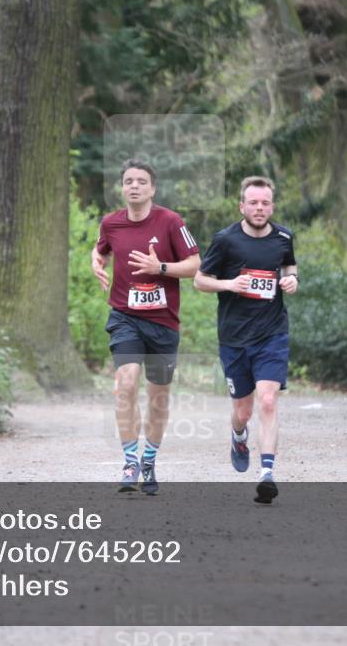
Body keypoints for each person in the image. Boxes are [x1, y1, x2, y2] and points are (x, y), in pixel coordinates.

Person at [91, 159, 200, 495]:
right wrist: (96, 262)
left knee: (158, 397)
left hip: (163, 322)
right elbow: (100, 251)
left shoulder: (171, 222)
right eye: (128, 181)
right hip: (124, 316)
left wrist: (161, 266)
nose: (134, 186)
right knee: (125, 384)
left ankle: (149, 458)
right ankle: (129, 461)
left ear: (152, 188)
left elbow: (196, 264)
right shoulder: (111, 224)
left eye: (141, 181)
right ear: (122, 188)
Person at [193, 176, 298, 504]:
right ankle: (239, 436)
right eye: (253, 202)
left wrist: (292, 279)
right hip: (235, 337)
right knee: (243, 409)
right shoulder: (225, 240)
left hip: (272, 333)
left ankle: (267, 473)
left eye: (265, 202)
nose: (259, 208)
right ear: (242, 206)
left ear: (272, 206)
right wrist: (230, 285)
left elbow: (289, 266)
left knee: (267, 400)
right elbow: (199, 280)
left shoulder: (283, 237)